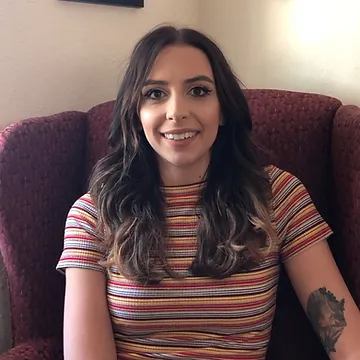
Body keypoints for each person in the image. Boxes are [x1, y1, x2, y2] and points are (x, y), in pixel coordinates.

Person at [56, 25, 360, 360]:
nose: (177, 111)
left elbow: (343, 336)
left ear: (224, 108)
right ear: (135, 112)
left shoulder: (277, 196)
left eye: (198, 91)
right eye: (155, 94)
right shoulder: (94, 213)